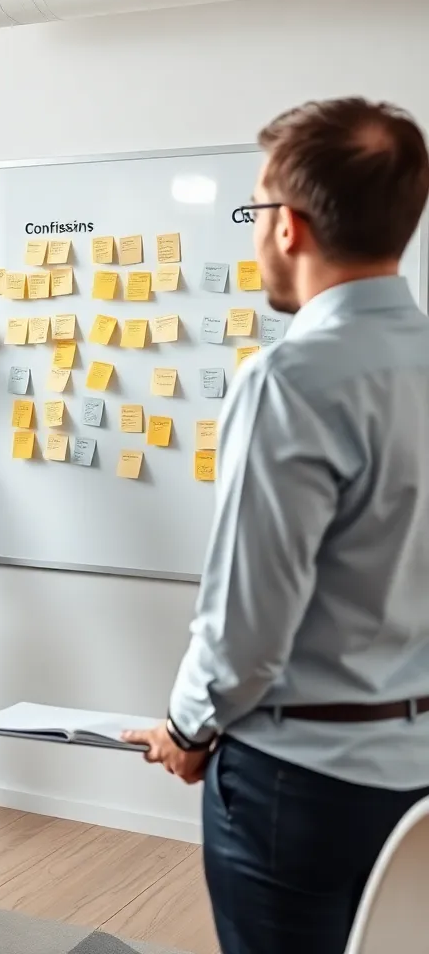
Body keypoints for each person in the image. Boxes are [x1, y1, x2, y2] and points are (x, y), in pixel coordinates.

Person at [124, 98, 429, 954]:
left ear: (289, 226)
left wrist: (186, 729)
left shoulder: (291, 379)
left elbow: (246, 629)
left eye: (256, 209)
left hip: (303, 787)